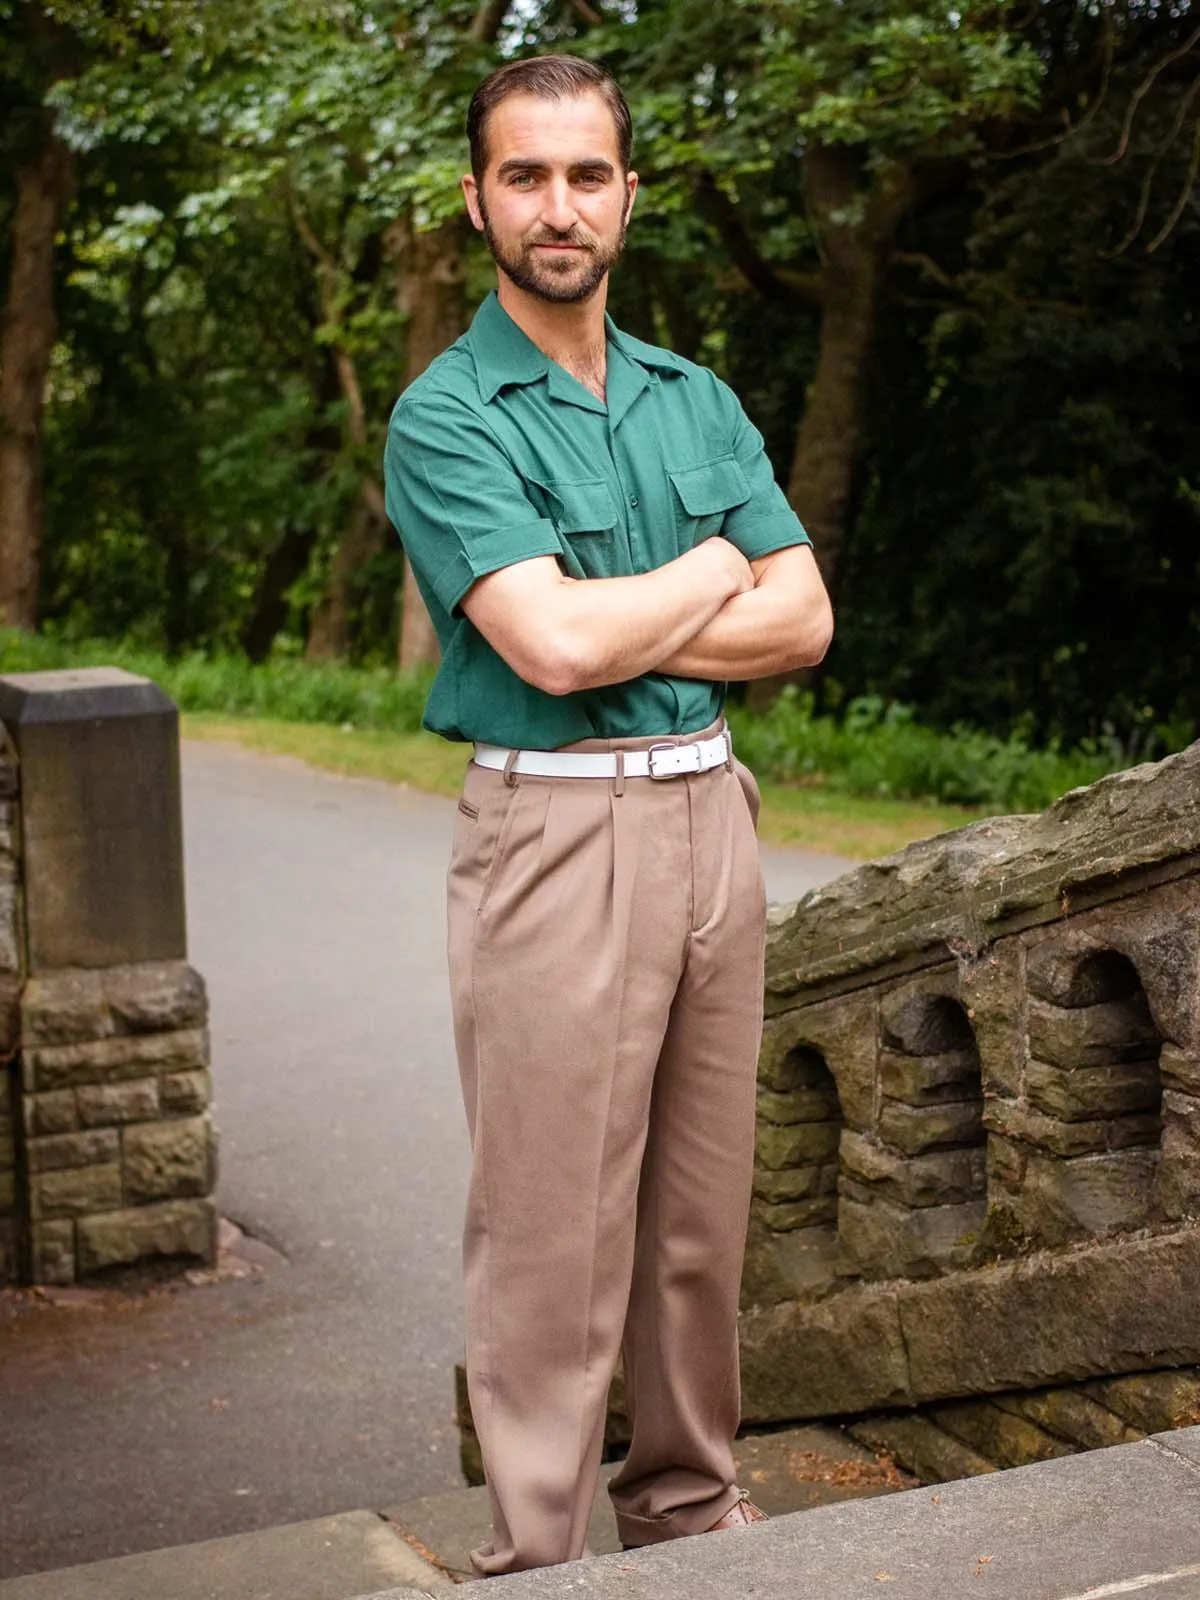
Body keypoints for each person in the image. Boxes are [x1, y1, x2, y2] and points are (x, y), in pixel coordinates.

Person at [383, 54, 833, 1577]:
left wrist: (646, 611)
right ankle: (544, 1545)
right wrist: (717, 571)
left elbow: (811, 622)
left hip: (715, 819)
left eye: (587, 176)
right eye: (526, 176)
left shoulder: (691, 395)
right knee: (554, 1233)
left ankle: (691, 1507)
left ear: (629, 197)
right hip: (556, 840)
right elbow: (555, 649)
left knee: (699, 1222)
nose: (557, 207)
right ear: (477, 200)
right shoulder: (448, 418)